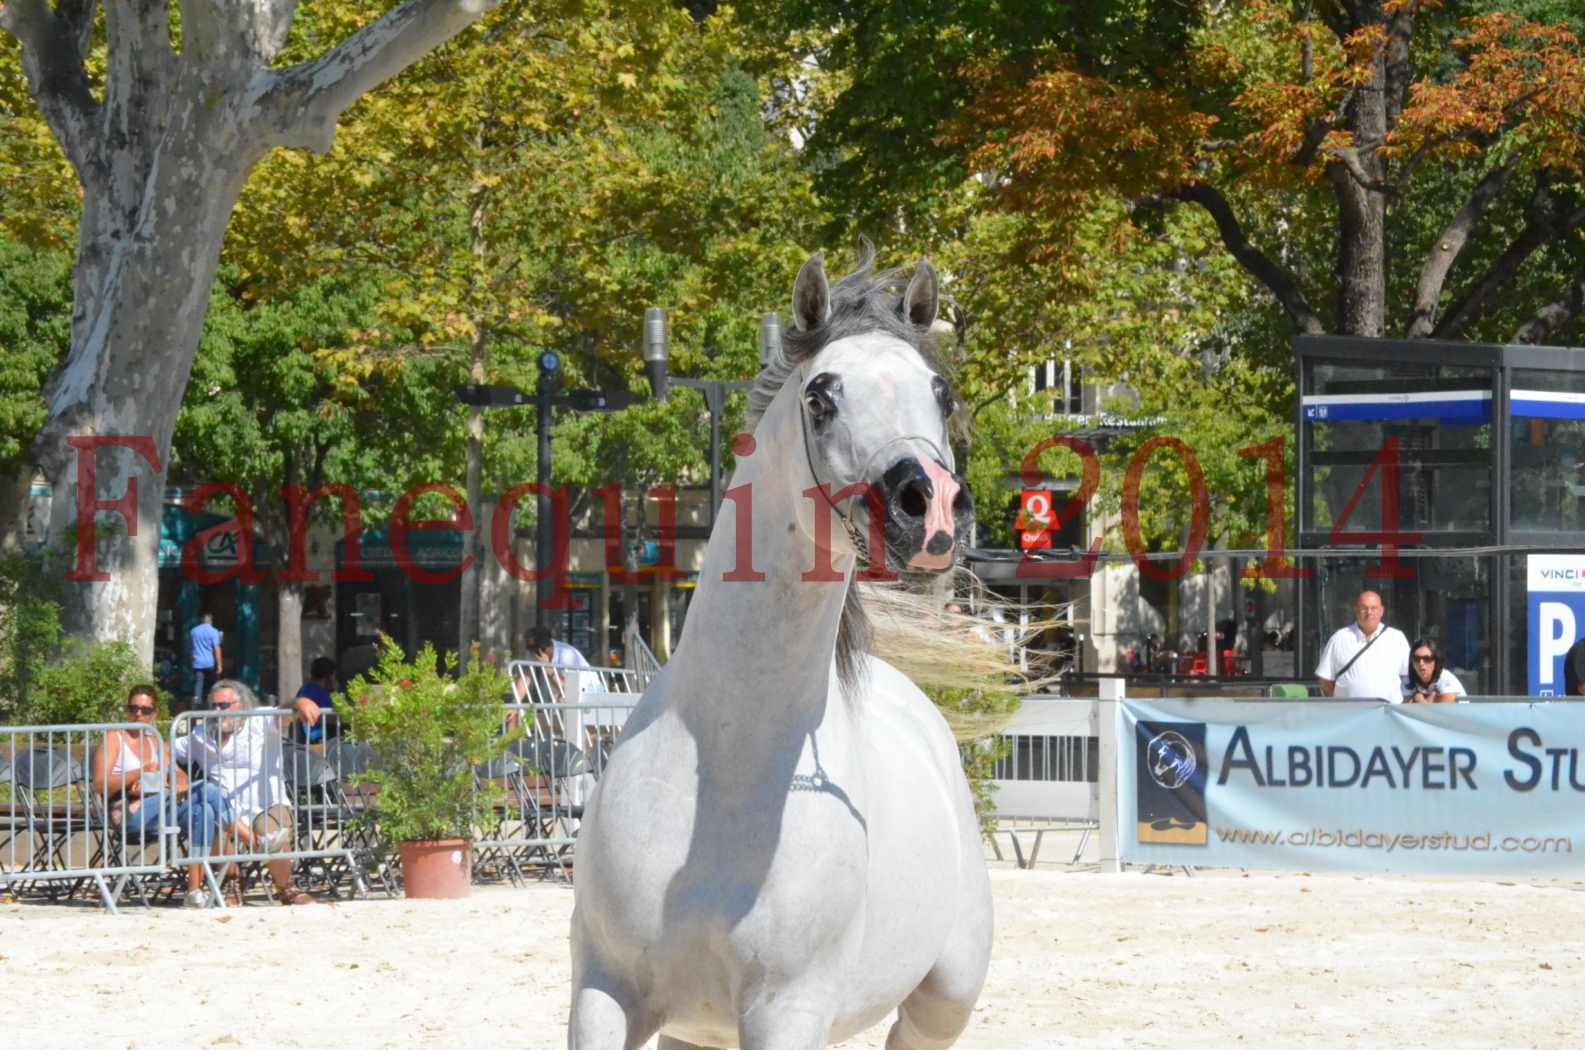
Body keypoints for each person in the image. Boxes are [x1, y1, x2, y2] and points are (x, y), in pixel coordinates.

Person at [173, 679, 322, 905]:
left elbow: (284, 714)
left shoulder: (259, 720)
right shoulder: (201, 733)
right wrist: (178, 775)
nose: (216, 711)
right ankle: (232, 882)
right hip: (226, 810)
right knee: (211, 819)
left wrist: (298, 702)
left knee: (268, 827)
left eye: (223, 706)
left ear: (241, 705)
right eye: (213, 705)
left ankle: (286, 887)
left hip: (268, 803)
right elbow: (167, 750)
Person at [89, 685, 232, 908]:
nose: (138, 714)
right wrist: (138, 772)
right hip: (128, 811)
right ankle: (247, 838)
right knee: (208, 790)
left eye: (145, 710)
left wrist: (182, 780)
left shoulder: (154, 741)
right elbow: (99, 785)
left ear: (154, 714)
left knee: (203, 811)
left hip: (160, 806)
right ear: (127, 710)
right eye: (133, 708)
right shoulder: (114, 738)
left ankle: (194, 891)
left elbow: (176, 772)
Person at [1315, 590, 1410, 701]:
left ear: (1381, 611)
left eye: (1374, 608)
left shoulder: (1397, 638)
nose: (1369, 612)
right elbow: (1325, 680)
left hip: (1388, 714)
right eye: (1364, 608)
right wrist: (1341, 702)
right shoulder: (1339, 638)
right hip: (1350, 715)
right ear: (1356, 610)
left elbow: (1408, 676)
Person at [295, 656, 339, 744]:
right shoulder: (321, 693)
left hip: (303, 740)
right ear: (328, 677)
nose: (335, 680)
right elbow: (332, 718)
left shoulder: (304, 689)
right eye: (334, 676)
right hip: (317, 740)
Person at [190, 612, 223, 705]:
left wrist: (191, 660)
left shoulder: (193, 631)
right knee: (211, 685)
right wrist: (219, 665)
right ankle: (210, 703)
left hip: (197, 662)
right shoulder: (214, 631)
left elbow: (192, 648)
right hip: (209, 663)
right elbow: (217, 648)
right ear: (210, 621)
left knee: (198, 683)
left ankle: (197, 702)